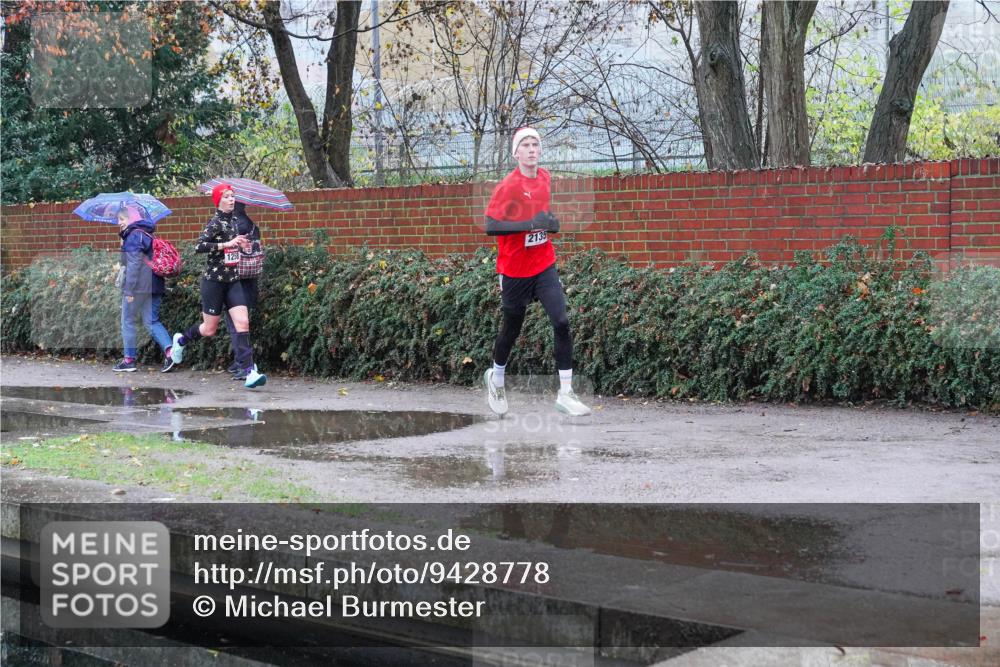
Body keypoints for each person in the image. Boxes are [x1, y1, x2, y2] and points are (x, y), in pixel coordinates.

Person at [482, 127, 590, 417]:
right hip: (515, 270)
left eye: (535, 144)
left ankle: (565, 393)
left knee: (561, 320)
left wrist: (549, 223)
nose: (531, 149)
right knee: (512, 327)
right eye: (525, 145)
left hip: (543, 264)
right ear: (516, 153)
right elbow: (491, 226)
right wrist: (530, 224)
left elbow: (541, 216)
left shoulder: (544, 178)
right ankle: (497, 377)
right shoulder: (508, 186)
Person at [169, 183, 267, 388]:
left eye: (233, 196)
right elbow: (199, 246)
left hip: (232, 281)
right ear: (218, 201)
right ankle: (180, 341)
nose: (232, 199)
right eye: (227, 197)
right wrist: (226, 245)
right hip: (213, 282)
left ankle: (249, 372)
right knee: (209, 329)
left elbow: (231, 246)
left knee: (243, 324)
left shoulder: (234, 221)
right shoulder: (215, 222)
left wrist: (240, 242)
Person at [113, 206, 176, 373]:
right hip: (155, 284)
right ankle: (171, 352)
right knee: (151, 321)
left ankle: (129, 360)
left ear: (131, 219)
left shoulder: (133, 236)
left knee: (127, 321)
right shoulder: (146, 234)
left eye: (122, 219)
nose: (119, 222)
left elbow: (132, 266)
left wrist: (129, 291)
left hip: (139, 287)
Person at [225, 202, 262, 380]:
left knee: (236, 326)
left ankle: (243, 364)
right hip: (250, 282)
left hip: (236, 282)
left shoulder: (235, 227)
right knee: (240, 325)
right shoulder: (253, 226)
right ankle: (239, 360)